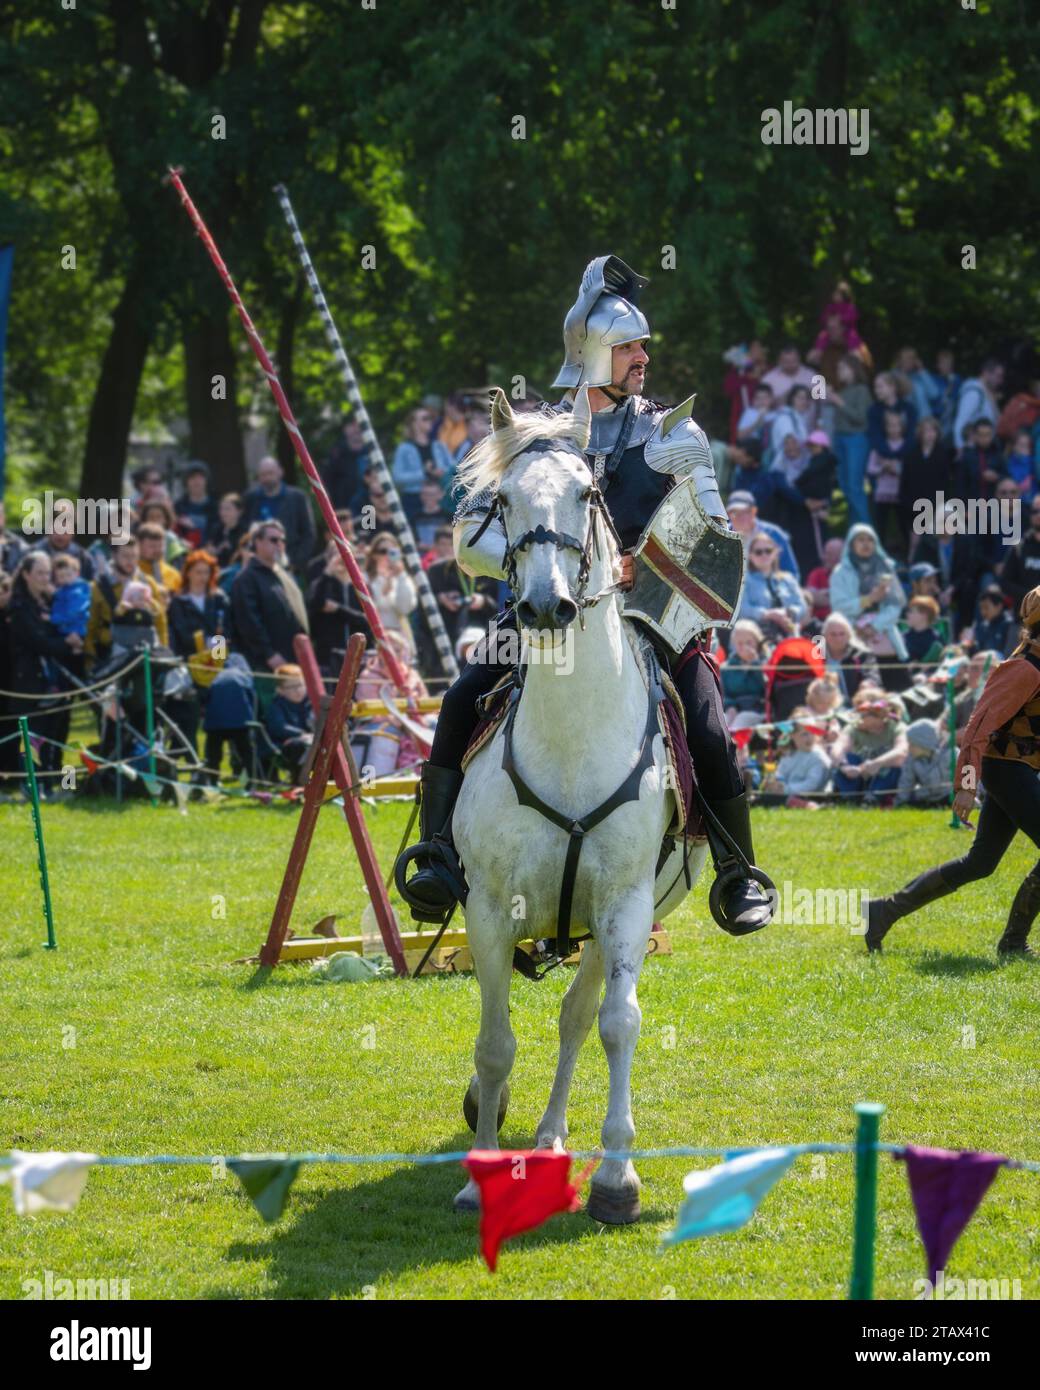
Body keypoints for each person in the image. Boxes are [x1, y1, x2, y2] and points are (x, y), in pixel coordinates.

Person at [399, 254, 774, 933]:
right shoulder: (534, 435)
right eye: (629, 345)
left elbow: (715, 545)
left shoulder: (673, 435)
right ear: (594, 351)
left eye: (642, 345)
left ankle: (736, 870)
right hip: (543, 613)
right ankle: (437, 855)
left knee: (711, 730)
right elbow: (469, 539)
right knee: (460, 700)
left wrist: (640, 571)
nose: (643, 356)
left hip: (654, 620)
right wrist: (543, 571)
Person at [866, 585, 1040, 956]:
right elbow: (977, 727)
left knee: (980, 863)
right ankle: (1012, 943)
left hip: (1017, 770)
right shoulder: (1024, 667)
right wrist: (966, 785)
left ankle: (883, 911)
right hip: (1006, 770)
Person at [6, 553, 83, 775]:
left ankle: (50, 779)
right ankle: (31, 783)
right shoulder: (19, 606)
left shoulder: (51, 601)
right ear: (25, 574)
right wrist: (67, 643)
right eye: (39, 572)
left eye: (47, 573)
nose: (44, 577)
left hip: (52, 678)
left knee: (52, 732)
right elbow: (37, 641)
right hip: (29, 679)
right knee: (32, 736)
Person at [229, 522, 309, 676]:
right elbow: (249, 622)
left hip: (293, 658)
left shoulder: (283, 575)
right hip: (266, 664)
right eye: (273, 540)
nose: (279, 544)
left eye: (282, 540)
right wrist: (269, 654)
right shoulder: (246, 578)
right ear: (258, 542)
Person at [829, 524, 908, 670]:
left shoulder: (886, 567)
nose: (866, 544)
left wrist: (874, 626)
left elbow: (895, 605)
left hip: (884, 633)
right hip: (852, 634)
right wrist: (869, 599)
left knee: (898, 686)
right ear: (851, 544)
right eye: (860, 540)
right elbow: (838, 606)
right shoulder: (840, 572)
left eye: (870, 540)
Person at [84, 538, 168, 666]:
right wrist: (90, 666)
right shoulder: (98, 587)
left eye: (134, 556)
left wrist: (162, 658)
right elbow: (90, 629)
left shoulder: (148, 583)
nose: (130, 561)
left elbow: (160, 624)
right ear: (114, 556)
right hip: (111, 655)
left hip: (145, 653)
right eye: (125, 556)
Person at [242, 456, 316, 573]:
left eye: (270, 473)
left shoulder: (297, 498)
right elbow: (245, 531)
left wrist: (296, 563)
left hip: (290, 565)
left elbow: (308, 533)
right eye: (263, 475)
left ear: (280, 472)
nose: (267, 478)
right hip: (258, 567)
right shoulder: (251, 499)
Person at [829, 695, 907, 805]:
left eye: (863, 715)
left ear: (878, 715)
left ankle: (873, 798)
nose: (858, 718)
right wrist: (844, 766)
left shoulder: (896, 727)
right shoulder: (853, 727)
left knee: (895, 768)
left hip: (883, 774)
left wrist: (877, 763)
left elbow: (902, 751)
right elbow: (838, 747)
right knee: (848, 759)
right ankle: (849, 797)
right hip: (858, 774)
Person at [736, 531, 807, 642]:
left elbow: (802, 605)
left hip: (789, 631)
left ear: (775, 553)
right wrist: (767, 614)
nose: (764, 555)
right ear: (750, 555)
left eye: (768, 551)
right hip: (756, 637)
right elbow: (741, 609)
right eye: (758, 552)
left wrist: (788, 612)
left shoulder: (788, 579)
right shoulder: (744, 580)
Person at [828, 354, 872, 526]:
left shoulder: (862, 390)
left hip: (856, 440)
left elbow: (861, 418)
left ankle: (867, 532)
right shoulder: (842, 391)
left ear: (853, 370)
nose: (838, 372)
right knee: (845, 487)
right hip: (840, 439)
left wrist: (839, 403)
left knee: (854, 487)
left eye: (842, 368)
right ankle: (855, 530)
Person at [391, 406, 455, 519]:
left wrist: (441, 473)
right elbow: (397, 478)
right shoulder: (404, 448)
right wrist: (424, 473)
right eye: (425, 418)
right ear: (414, 423)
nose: (430, 421)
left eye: (431, 418)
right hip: (414, 501)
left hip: (440, 499)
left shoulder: (439, 446)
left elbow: (454, 469)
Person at [201, 653, 255, 786]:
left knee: (213, 755)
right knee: (246, 753)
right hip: (241, 722)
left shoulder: (215, 676)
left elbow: (205, 698)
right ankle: (251, 782)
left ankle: (212, 781)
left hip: (215, 722)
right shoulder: (244, 676)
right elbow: (252, 698)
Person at [167, 550, 231, 659]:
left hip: (218, 657)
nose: (203, 577)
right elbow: (182, 634)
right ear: (188, 573)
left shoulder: (219, 598)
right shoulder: (178, 602)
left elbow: (227, 627)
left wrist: (218, 649)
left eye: (206, 572)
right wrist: (206, 642)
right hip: (190, 659)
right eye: (198, 572)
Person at [726, 489, 799, 579]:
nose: (740, 516)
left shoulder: (775, 535)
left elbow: (792, 575)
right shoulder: (721, 534)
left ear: (754, 511)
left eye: (745, 512)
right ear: (728, 514)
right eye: (734, 512)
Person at [363, 534, 418, 655]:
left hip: (401, 638)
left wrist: (401, 576)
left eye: (393, 551)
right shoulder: (365, 578)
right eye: (383, 551)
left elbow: (405, 608)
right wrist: (383, 591)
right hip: (374, 637)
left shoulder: (403, 578)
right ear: (374, 555)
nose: (388, 555)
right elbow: (367, 610)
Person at [264, 664, 315, 782]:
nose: (298, 690)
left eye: (300, 685)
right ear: (280, 690)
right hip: (285, 746)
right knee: (298, 746)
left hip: (313, 741)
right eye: (291, 687)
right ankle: (298, 781)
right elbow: (279, 727)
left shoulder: (311, 703)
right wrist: (301, 735)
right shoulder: (276, 706)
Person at [769, 712, 832, 800]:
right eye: (804, 734)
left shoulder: (818, 757)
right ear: (792, 735)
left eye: (812, 733)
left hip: (814, 795)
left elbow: (812, 784)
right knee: (767, 797)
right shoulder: (790, 753)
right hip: (789, 791)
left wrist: (786, 789)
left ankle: (801, 803)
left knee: (783, 799)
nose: (810, 737)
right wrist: (778, 783)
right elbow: (781, 772)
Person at [820, 611, 880, 703]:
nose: (838, 639)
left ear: (849, 635)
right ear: (825, 636)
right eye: (833, 634)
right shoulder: (817, 657)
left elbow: (872, 676)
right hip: (826, 706)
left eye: (842, 634)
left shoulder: (862, 654)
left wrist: (868, 684)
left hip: (856, 705)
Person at [893, 718, 950, 808]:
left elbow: (968, 776)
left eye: (912, 744)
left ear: (923, 743)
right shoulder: (911, 759)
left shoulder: (950, 754)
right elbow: (906, 783)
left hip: (949, 796)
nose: (909, 747)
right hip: (927, 798)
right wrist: (899, 803)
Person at [721, 619, 768, 725]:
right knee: (721, 721)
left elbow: (767, 689)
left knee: (742, 719)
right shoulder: (727, 667)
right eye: (740, 643)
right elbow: (724, 694)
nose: (745, 647)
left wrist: (755, 664)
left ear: (757, 641)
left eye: (749, 642)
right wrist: (730, 707)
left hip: (759, 711)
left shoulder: (766, 662)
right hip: (734, 711)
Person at [953, 357, 1004, 448]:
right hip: (974, 451)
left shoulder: (987, 393)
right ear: (986, 373)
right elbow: (960, 422)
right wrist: (960, 448)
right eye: (998, 376)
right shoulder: (974, 394)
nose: (1000, 381)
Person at [321, 417, 369, 512]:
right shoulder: (336, 453)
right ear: (345, 429)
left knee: (369, 527)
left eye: (359, 425)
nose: (356, 429)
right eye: (352, 425)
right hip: (343, 507)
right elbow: (327, 481)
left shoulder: (373, 453)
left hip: (369, 508)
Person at [954, 417, 1006, 501]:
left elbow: (1008, 479)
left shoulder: (998, 455)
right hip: (973, 506)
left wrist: (997, 477)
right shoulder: (967, 457)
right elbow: (960, 486)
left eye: (988, 434)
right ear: (975, 435)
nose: (985, 438)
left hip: (995, 506)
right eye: (981, 435)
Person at [174, 462, 219, 548]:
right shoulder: (178, 507)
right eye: (192, 478)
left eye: (201, 477)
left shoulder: (217, 506)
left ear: (207, 480)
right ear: (186, 482)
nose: (196, 481)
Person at [805, 537, 844, 624]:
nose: (825, 557)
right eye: (826, 553)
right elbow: (811, 598)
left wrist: (826, 593)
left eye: (830, 554)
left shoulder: (851, 575)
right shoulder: (817, 574)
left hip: (846, 622)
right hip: (821, 623)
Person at [209, 493, 247, 569]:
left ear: (239, 511)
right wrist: (216, 550)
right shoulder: (216, 529)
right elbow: (210, 550)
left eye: (228, 509)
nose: (223, 513)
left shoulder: (245, 531)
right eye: (221, 509)